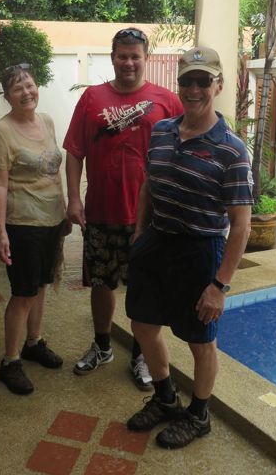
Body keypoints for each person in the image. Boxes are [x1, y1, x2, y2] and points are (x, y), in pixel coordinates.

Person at [125, 47, 253, 449]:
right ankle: (165, 399)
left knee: (200, 341)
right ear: (178, 84)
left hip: (200, 250)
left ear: (218, 85)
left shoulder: (231, 149)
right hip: (157, 240)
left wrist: (220, 286)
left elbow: (241, 225)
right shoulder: (162, 131)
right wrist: (140, 232)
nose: (194, 89)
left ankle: (199, 416)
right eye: (187, 81)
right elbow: (148, 184)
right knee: (143, 324)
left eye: (203, 81)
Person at [63, 27, 183, 389]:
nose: (128, 62)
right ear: (113, 57)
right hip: (101, 212)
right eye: (122, 56)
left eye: (135, 56)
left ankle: (141, 355)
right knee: (101, 284)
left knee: (145, 290)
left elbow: (184, 152)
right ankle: (102, 347)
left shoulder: (167, 101)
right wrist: (73, 198)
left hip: (149, 219)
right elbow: (74, 151)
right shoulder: (92, 98)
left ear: (146, 58)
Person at [0, 64, 70, 395]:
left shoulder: (46, 121)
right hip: (22, 224)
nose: (26, 92)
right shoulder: (1, 132)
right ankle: (10, 361)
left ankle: (34, 342)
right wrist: (1, 232)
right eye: (17, 88)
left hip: (51, 220)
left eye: (30, 85)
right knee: (23, 293)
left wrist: (64, 208)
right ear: (8, 96)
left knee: (41, 285)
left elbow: (54, 171)